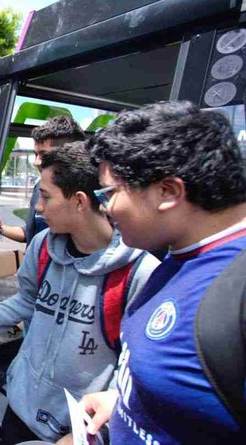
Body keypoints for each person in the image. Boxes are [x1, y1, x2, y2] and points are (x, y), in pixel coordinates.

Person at [0, 142, 159, 443]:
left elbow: (138, 373)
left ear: (79, 201)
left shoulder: (140, 273)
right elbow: (27, 300)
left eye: (46, 197)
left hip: (74, 430)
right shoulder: (42, 247)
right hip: (21, 406)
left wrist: (98, 431)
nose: (37, 207)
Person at [81, 101, 246, 443]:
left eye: (109, 193)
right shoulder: (179, 254)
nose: (104, 207)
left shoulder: (237, 293)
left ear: (167, 192)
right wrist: (126, 401)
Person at [0, 115, 85, 242]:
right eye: (35, 154)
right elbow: (29, 233)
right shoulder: (39, 188)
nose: (36, 162)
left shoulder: (89, 197)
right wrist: (0, 228)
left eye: (44, 155)